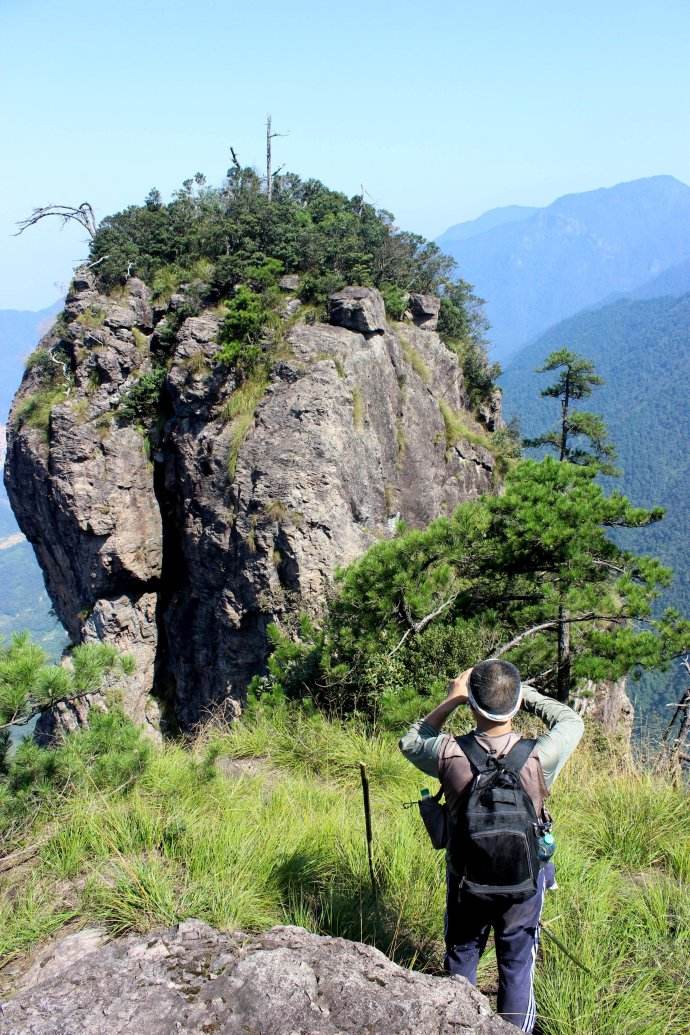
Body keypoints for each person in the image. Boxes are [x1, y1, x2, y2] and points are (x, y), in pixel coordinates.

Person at [399, 659, 584, 1033]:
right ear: (514, 704)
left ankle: (457, 1026)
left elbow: (410, 741)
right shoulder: (539, 756)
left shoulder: (448, 754)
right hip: (524, 883)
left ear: (471, 704)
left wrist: (452, 699)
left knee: (462, 952)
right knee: (517, 966)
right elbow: (571, 721)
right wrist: (525, 694)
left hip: (467, 879)